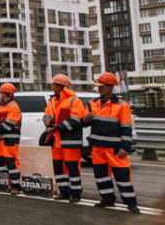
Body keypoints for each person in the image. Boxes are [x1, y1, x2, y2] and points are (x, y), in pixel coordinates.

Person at [81, 73, 139, 213]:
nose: (99, 89)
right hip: (97, 147)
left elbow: (126, 127)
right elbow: (82, 123)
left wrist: (125, 147)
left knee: (122, 175)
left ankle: (130, 202)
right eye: (99, 86)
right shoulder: (92, 103)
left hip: (114, 148)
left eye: (102, 86)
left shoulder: (121, 105)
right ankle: (107, 199)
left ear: (110, 87)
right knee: (101, 175)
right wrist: (85, 120)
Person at [43, 74, 86, 203]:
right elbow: (46, 114)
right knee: (59, 168)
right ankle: (64, 191)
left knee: (72, 168)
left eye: (54, 85)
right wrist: (47, 121)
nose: (52, 87)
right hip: (56, 141)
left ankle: (75, 194)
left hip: (69, 141)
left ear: (61, 87)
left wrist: (58, 127)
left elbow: (75, 120)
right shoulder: (52, 101)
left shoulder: (74, 101)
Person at [0, 83, 22, 195]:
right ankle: (4, 184)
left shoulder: (13, 107)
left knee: (11, 163)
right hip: (0, 140)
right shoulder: (1, 107)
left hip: (9, 141)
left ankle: (15, 186)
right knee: (0, 163)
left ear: (4, 94)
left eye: (1, 93)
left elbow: (10, 124)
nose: (0, 95)